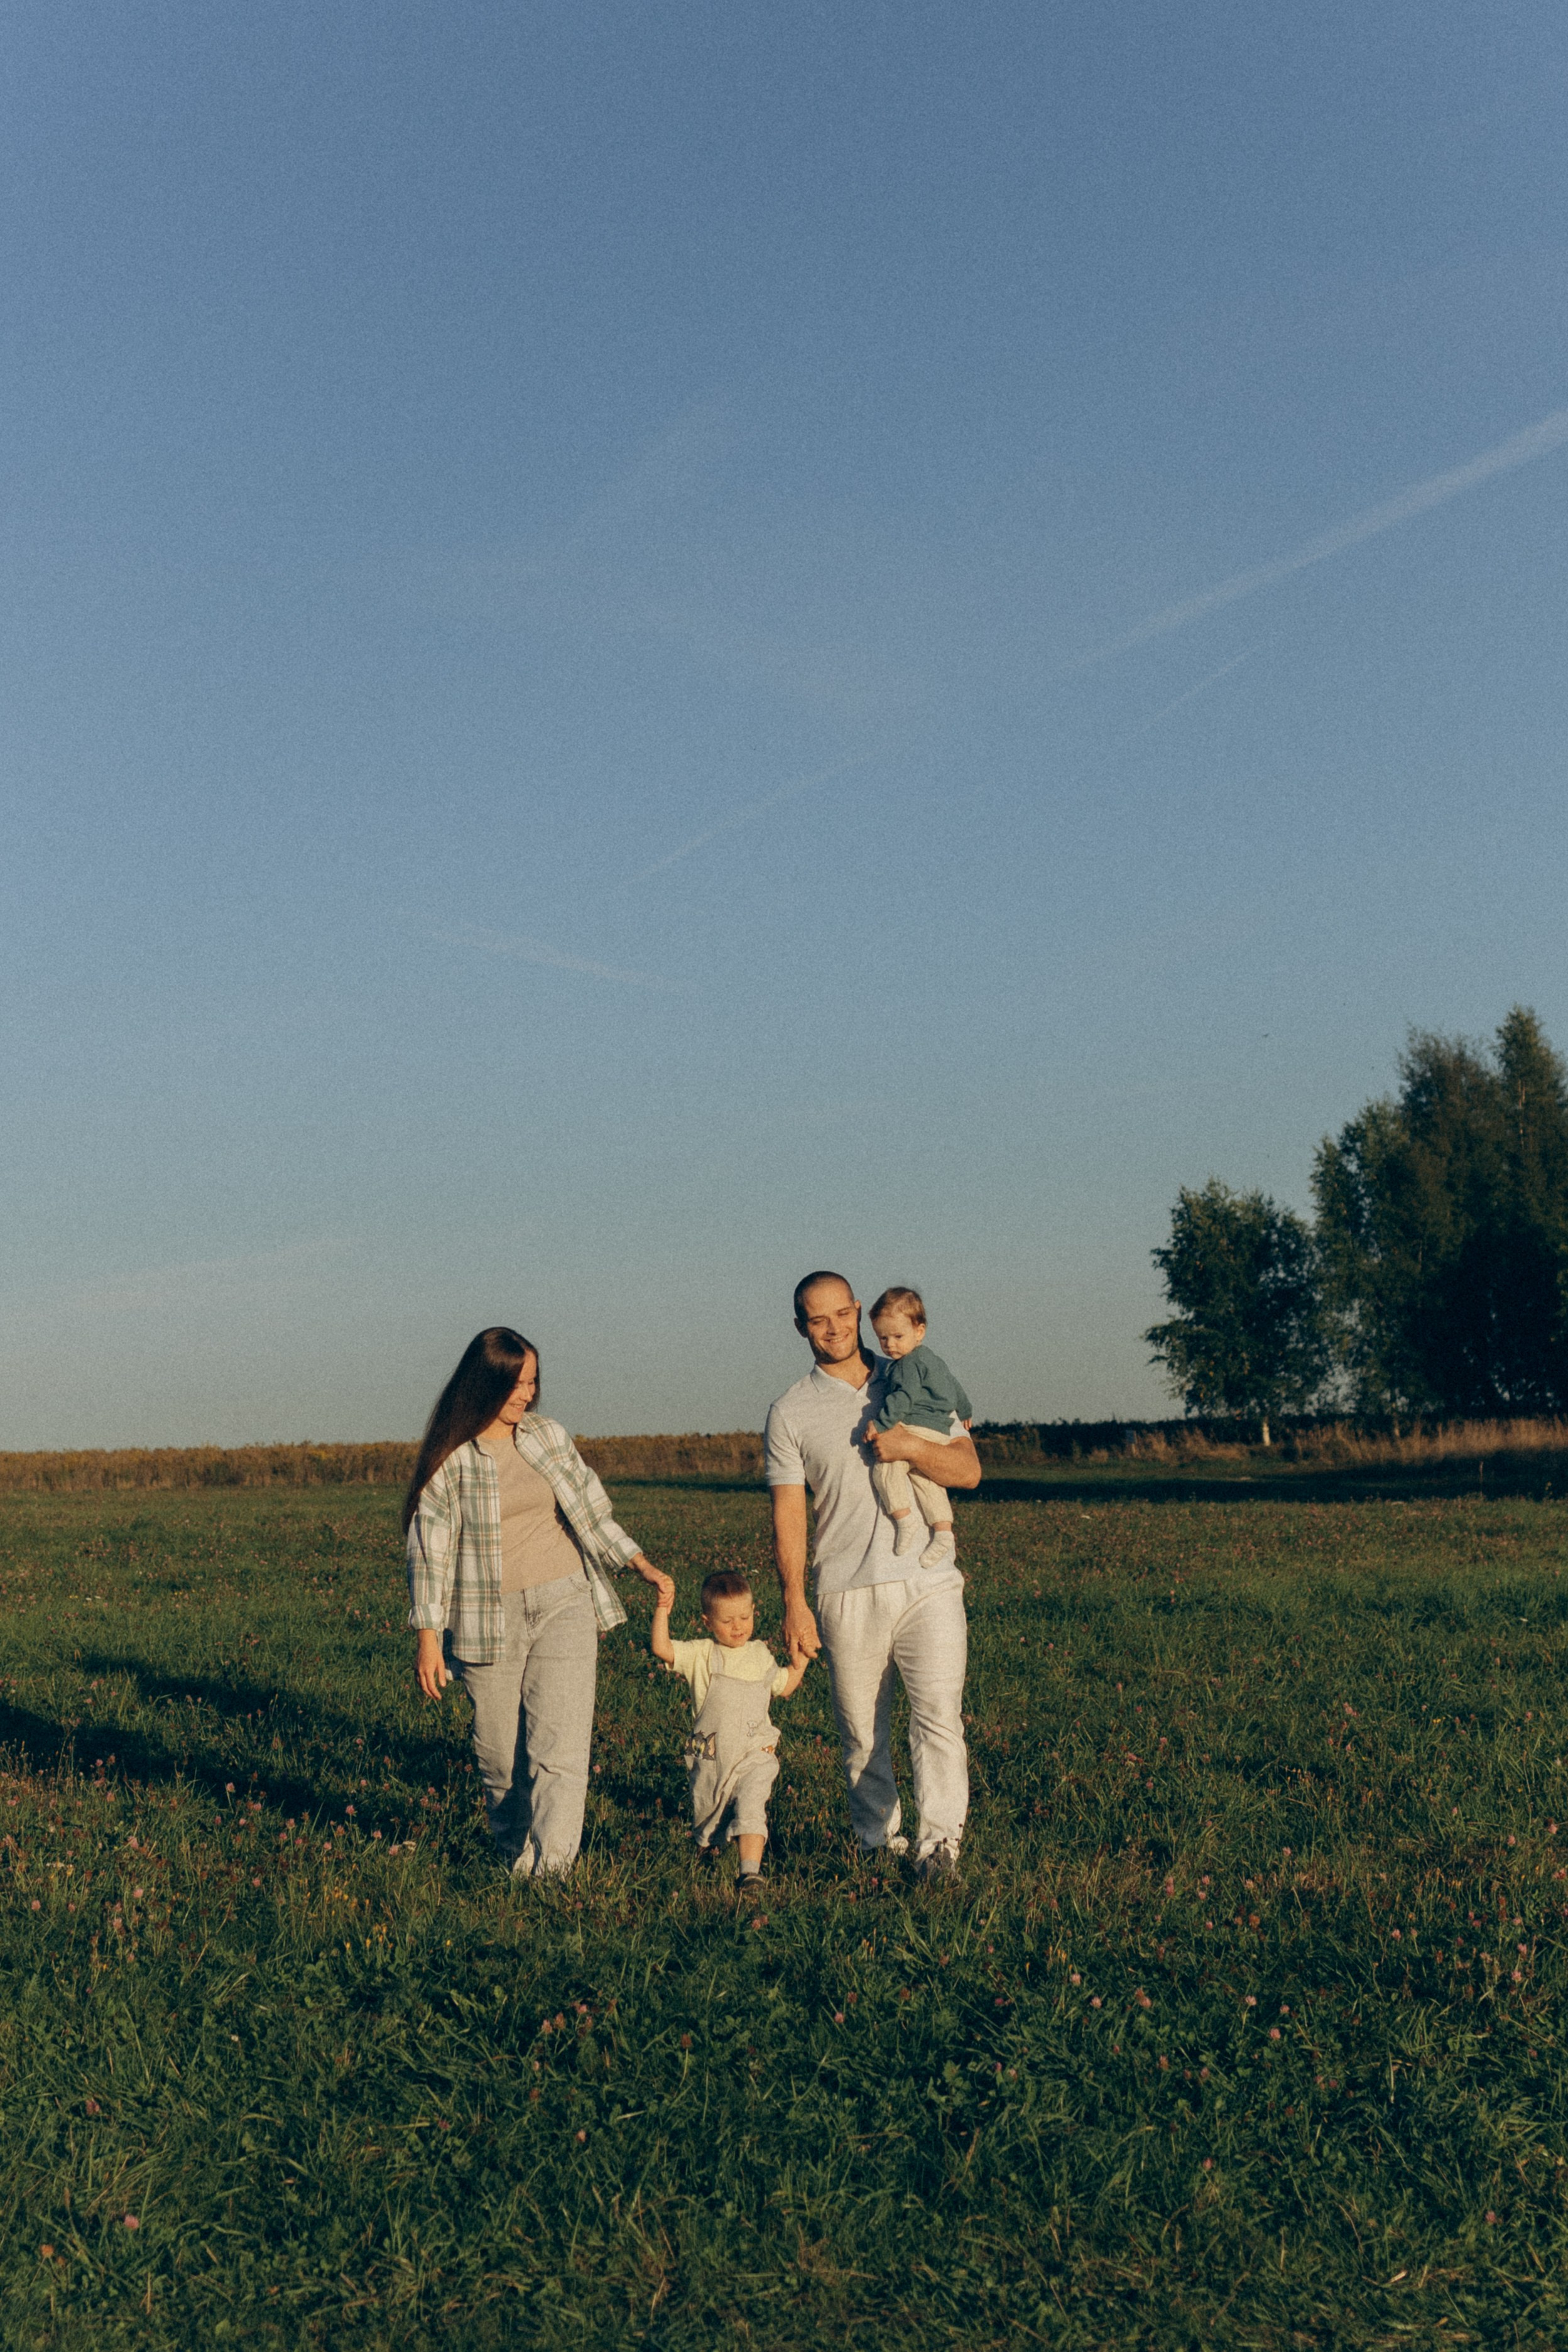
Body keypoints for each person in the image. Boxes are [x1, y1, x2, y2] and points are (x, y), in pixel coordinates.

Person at [405, 1326, 673, 1878]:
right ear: (484, 1384)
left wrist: (638, 1563)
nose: (528, 1394)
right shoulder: (452, 1460)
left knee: (561, 1749)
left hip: (564, 1600)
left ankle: (553, 1871)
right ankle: (512, 1857)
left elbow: (592, 1509)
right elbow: (428, 1553)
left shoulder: (547, 1436)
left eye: (533, 1381)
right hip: (485, 1619)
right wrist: (428, 1637)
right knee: (500, 1757)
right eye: (516, 1383)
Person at [765, 1272, 982, 1881]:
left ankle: (940, 1847)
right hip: (846, 1589)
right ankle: (876, 1845)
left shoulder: (911, 1373)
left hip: (928, 1580)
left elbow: (968, 1471)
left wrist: (907, 1447)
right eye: (817, 1319)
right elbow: (789, 1512)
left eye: (841, 1314)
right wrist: (794, 1601)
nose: (833, 1329)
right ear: (801, 1326)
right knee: (862, 1733)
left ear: (859, 1311)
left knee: (938, 1713)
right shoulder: (790, 1412)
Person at [651, 1569, 809, 1888]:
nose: (738, 1627)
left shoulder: (760, 1654)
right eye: (727, 1621)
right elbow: (662, 1648)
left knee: (752, 1802)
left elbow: (785, 1686)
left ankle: (749, 1873)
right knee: (709, 1816)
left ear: (754, 1612)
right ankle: (707, 1851)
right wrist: (661, 1610)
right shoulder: (702, 1654)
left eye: (744, 1617)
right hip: (714, 1757)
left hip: (755, 1753)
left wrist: (801, 1658)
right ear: (708, 1622)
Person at [866, 1285, 974, 1571]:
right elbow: (955, 1386)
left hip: (916, 1427)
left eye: (898, 1337)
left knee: (886, 1469)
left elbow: (903, 1398)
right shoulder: (934, 1360)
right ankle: (943, 1532)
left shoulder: (907, 1365)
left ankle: (905, 1519)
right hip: (940, 1430)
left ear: (920, 1331)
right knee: (927, 1480)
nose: (890, 1345)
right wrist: (966, 1411)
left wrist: (881, 1424)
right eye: (883, 1338)